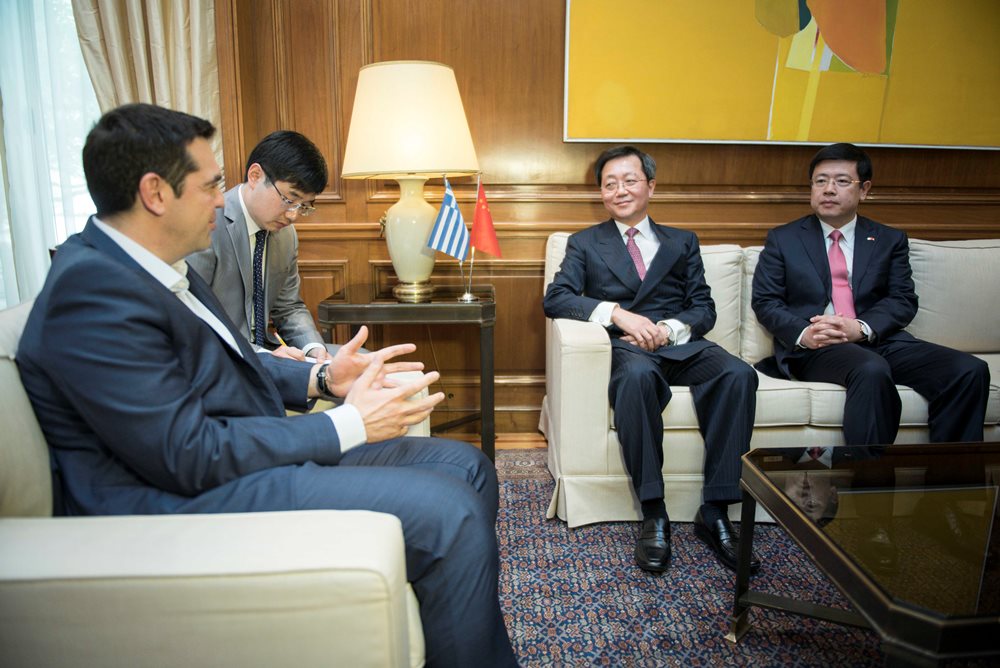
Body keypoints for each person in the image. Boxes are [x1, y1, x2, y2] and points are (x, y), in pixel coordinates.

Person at [16, 103, 518, 668]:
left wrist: (322, 375)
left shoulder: (155, 266)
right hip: (176, 496)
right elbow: (186, 454)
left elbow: (232, 355)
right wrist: (348, 424)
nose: (220, 199)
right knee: (450, 512)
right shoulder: (92, 292)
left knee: (466, 466)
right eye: (210, 185)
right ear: (155, 193)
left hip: (236, 450)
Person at [543, 145, 760, 575]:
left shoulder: (682, 241)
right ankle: (654, 510)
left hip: (678, 344)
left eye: (629, 180)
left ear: (651, 186)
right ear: (601, 193)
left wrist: (669, 329)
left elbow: (703, 308)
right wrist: (617, 313)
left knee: (738, 374)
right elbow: (557, 298)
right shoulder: (585, 243)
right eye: (610, 184)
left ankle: (716, 509)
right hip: (626, 346)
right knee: (637, 379)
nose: (619, 190)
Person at [751, 142, 990, 446]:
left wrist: (861, 328)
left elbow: (902, 299)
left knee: (969, 370)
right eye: (820, 181)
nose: (828, 189)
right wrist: (805, 334)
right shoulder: (784, 239)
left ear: (864, 190)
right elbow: (766, 301)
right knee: (871, 369)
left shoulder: (889, 239)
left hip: (878, 340)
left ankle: (951, 475)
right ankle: (868, 473)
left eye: (841, 181)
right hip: (818, 346)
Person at [186, 130, 336, 362]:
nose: (293, 215)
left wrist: (313, 349)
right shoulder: (207, 223)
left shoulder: (286, 235)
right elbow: (195, 317)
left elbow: (289, 307)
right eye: (289, 200)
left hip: (266, 353)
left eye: (304, 206)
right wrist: (266, 358)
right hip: (221, 357)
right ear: (255, 176)